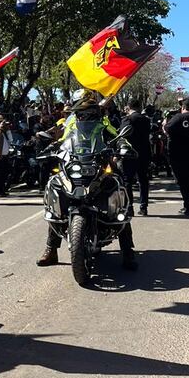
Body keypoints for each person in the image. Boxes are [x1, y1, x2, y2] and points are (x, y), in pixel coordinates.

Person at [38, 91, 137, 270]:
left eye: (88, 110)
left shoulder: (103, 123)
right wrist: (51, 147)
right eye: (80, 110)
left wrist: (123, 146)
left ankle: (128, 251)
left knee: (118, 186)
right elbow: (62, 141)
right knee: (56, 188)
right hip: (75, 164)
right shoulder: (72, 125)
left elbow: (118, 137)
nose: (84, 114)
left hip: (100, 164)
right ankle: (51, 249)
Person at [119, 99, 152, 216]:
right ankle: (144, 207)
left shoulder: (127, 119)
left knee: (127, 181)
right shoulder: (146, 120)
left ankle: (129, 207)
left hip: (130, 153)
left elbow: (122, 135)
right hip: (144, 153)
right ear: (139, 106)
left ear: (128, 107)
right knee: (143, 180)